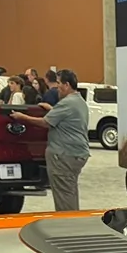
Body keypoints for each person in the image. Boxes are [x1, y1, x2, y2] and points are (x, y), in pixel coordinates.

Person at [37, 69, 89, 211]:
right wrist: (52, 109)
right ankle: (73, 221)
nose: (56, 86)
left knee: (63, 195)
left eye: (59, 83)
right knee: (69, 192)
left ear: (66, 85)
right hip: (76, 153)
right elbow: (63, 117)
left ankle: (67, 225)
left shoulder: (67, 103)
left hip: (64, 155)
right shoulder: (78, 101)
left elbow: (45, 122)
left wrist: (20, 117)